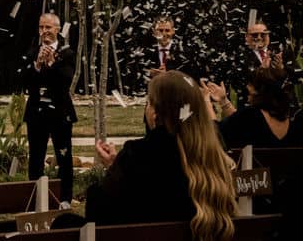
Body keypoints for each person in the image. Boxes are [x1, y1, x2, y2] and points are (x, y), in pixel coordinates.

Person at [86, 71, 236, 241]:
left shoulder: (140, 154)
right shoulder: (213, 153)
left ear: (155, 111)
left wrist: (115, 169)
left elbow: (100, 214)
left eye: (148, 103)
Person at [22, 13, 76, 206]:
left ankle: (65, 198)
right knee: (36, 157)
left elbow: (65, 81)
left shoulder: (67, 52)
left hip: (60, 112)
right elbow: (26, 82)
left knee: (64, 156)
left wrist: (52, 64)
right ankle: (35, 198)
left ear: (57, 29)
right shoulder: (32, 51)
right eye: (41, 27)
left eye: (48, 28)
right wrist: (37, 65)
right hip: (37, 112)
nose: (44, 31)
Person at [203, 66, 302, 148]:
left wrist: (205, 101)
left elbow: (215, 133)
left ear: (259, 90)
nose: (246, 86)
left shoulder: (250, 116)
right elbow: (240, 124)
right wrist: (223, 100)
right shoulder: (288, 119)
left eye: (250, 83)